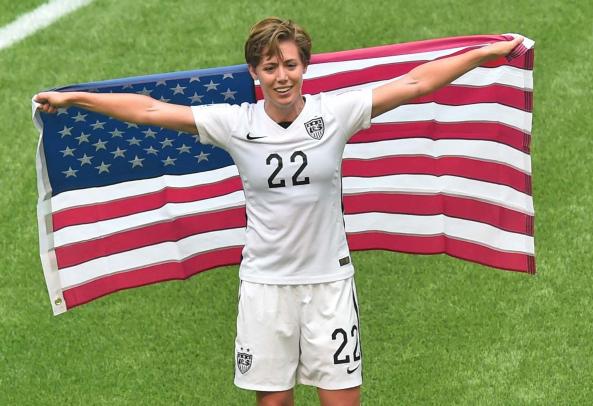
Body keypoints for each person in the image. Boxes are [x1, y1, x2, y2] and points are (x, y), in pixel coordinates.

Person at [35, 17, 523, 406]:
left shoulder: (335, 113)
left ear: (304, 66)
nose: (281, 77)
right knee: (273, 402)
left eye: (289, 65)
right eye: (270, 68)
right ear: (255, 73)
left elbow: (416, 84)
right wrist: (75, 99)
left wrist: (483, 53)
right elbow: (150, 111)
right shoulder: (235, 123)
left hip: (329, 285)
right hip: (265, 288)